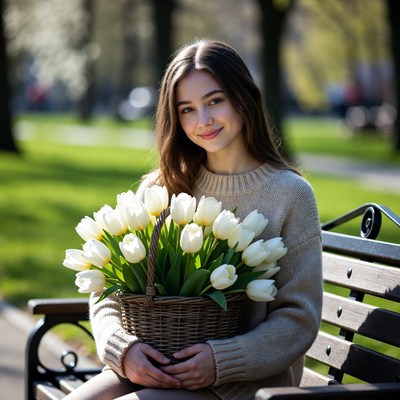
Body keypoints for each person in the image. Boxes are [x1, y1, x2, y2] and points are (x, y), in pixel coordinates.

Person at [65, 39, 323, 400]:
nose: (203, 121)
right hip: (152, 366)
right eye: (186, 109)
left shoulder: (289, 194)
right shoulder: (162, 188)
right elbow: (106, 291)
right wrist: (123, 350)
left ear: (243, 97)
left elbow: (299, 318)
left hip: (244, 385)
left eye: (214, 101)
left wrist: (223, 361)